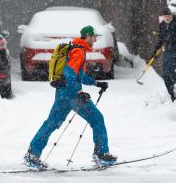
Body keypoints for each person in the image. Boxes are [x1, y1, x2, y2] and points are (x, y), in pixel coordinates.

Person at [24, 25, 117, 169]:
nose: (95, 40)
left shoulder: (75, 49)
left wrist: (97, 83)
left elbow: (79, 75)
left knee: (51, 123)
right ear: (88, 36)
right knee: (97, 119)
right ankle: (101, 154)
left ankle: (32, 155)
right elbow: (69, 72)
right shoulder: (79, 52)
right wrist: (78, 92)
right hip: (72, 94)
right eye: (94, 37)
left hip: (62, 92)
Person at [151, 7, 176, 102]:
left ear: (171, 15)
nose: (167, 18)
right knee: (165, 74)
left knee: (171, 72)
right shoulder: (162, 25)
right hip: (167, 51)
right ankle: (172, 95)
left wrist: (173, 39)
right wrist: (154, 51)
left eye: (168, 16)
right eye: (165, 16)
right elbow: (160, 39)